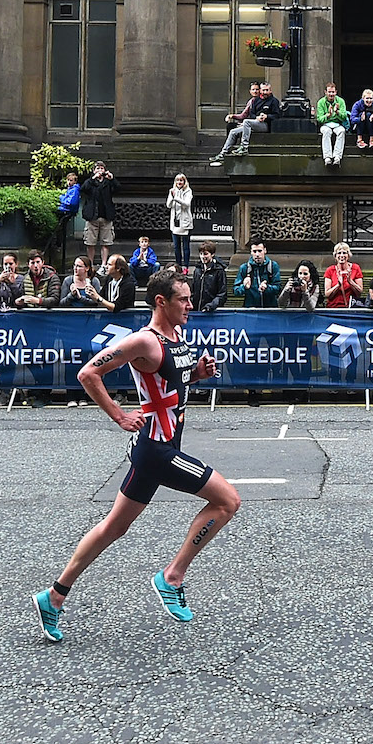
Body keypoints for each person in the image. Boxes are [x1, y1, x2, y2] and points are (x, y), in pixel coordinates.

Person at [32, 268, 236, 642]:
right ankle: (172, 576)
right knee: (227, 502)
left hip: (161, 447)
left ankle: (53, 596)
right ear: (162, 302)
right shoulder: (144, 341)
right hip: (156, 450)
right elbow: (87, 374)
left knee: (114, 526)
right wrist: (118, 414)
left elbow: (171, 383)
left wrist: (198, 376)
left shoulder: (177, 335)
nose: (191, 305)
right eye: (183, 300)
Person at [211, 82, 278, 164]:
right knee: (233, 132)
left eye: (267, 90)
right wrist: (257, 117)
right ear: (260, 90)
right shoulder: (256, 101)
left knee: (246, 122)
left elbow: (277, 115)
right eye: (263, 90)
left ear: (270, 91)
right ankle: (223, 154)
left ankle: (244, 147)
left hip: (266, 125)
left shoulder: (274, 101)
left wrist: (267, 116)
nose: (265, 92)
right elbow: (252, 114)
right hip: (255, 122)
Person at [80, 161, 117, 271]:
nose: (100, 170)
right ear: (94, 170)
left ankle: (104, 264)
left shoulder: (108, 182)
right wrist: (93, 179)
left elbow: (118, 189)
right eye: (98, 168)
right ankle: (90, 264)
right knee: (90, 242)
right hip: (92, 217)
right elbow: (83, 189)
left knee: (106, 242)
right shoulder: (90, 182)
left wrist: (112, 179)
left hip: (106, 216)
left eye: (102, 168)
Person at [233, 242, 280, 309]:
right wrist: (244, 287)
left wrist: (267, 288)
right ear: (251, 252)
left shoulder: (272, 266)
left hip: (270, 310)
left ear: (265, 251)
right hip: (250, 310)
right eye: (254, 251)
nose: (257, 254)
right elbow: (236, 291)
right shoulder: (245, 268)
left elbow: (278, 288)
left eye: (260, 251)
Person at [165, 174, 194, 272]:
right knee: (176, 246)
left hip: (185, 223)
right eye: (177, 180)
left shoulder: (188, 191)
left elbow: (186, 204)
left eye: (181, 180)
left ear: (184, 182)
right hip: (175, 223)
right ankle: (178, 266)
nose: (179, 182)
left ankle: (186, 266)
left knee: (185, 246)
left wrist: (176, 197)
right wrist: (171, 196)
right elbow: (168, 205)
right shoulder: (172, 191)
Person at [190, 241, 228, 312]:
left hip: (212, 312)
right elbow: (193, 291)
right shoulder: (197, 270)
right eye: (201, 254)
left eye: (205, 254)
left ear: (212, 254)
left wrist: (210, 306)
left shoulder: (219, 271)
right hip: (196, 310)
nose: (203, 257)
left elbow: (222, 294)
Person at [322, 243, 363, 309]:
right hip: (334, 307)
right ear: (335, 256)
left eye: (344, 253)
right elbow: (327, 294)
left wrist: (350, 282)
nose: (341, 255)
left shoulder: (355, 268)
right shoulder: (330, 270)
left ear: (348, 255)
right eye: (339, 253)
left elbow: (359, 292)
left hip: (351, 308)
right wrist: (338, 285)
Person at [348, 88, 373, 153]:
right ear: (363, 98)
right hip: (359, 127)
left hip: (372, 127)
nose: (369, 100)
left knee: (368, 115)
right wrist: (360, 119)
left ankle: (372, 140)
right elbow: (352, 119)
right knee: (362, 114)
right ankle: (359, 140)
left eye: (371, 98)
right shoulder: (357, 104)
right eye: (367, 98)